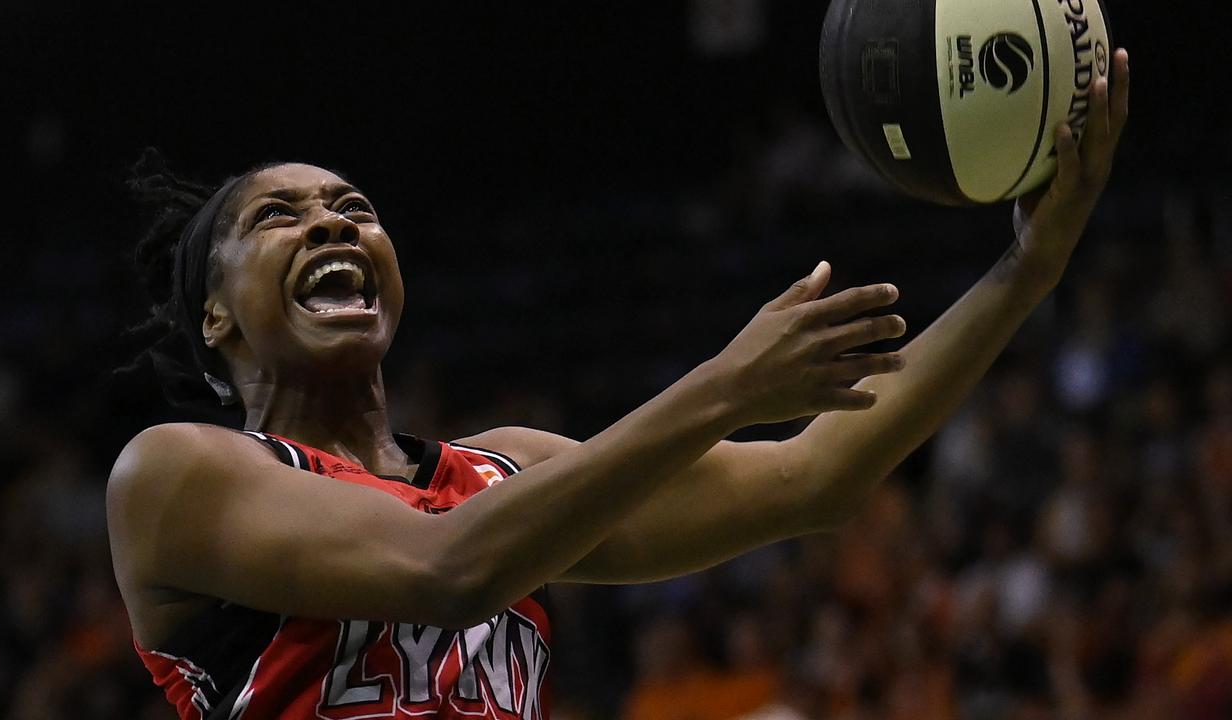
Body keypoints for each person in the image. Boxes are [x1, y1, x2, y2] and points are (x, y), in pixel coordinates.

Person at [107, 51, 1130, 720]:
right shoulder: (177, 475)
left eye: (353, 207)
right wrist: (722, 388)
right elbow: (442, 568)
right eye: (277, 217)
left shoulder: (506, 472)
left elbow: (818, 475)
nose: (332, 224)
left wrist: (1028, 267)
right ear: (215, 314)